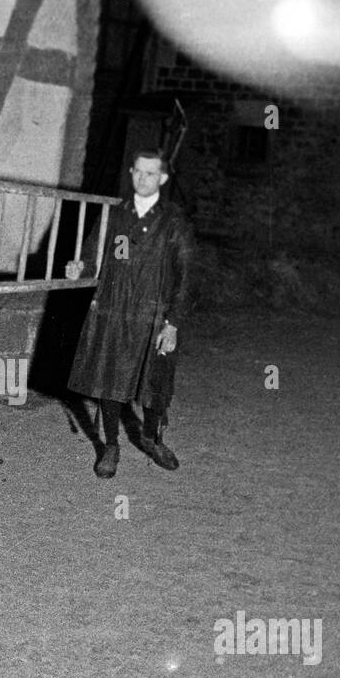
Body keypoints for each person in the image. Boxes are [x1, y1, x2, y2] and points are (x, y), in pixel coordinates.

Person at [65, 149, 196, 478]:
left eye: (151, 174)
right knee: (112, 379)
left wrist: (174, 324)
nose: (143, 178)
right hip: (116, 309)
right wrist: (81, 266)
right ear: (131, 172)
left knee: (155, 382)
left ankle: (151, 438)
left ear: (163, 179)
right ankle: (110, 445)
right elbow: (95, 254)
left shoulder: (174, 222)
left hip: (155, 315)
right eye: (138, 172)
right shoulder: (117, 215)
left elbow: (186, 276)